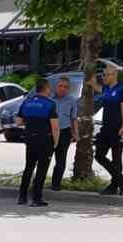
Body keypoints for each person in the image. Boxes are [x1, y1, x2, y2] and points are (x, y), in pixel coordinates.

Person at [15, 79, 58, 207]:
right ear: (45, 89)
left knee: (29, 167)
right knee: (41, 169)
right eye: (49, 88)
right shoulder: (50, 104)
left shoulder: (27, 102)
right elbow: (55, 126)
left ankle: (22, 197)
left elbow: (18, 121)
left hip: (30, 139)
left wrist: (29, 122)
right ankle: (36, 198)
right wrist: (55, 142)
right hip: (45, 139)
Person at [94, 62, 123, 195]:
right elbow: (91, 82)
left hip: (117, 127)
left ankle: (114, 186)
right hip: (106, 128)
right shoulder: (105, 89)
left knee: (116, 158)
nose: (104, 77)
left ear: (115, 75)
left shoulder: (122, 89)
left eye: (107, 74)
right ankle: (120, 179)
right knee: (99, 155)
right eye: (104, 74)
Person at [49, 75, 78, 191]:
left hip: (64, 132)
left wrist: (76, 133)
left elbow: (74, 118)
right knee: (45, 158)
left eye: (65, 87)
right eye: (60, 86)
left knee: (61, 160)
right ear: (56, 87)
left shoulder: (71, 100)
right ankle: (38, 182)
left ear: (68, 88)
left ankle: (56, 184)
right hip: (50, 132)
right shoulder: (50, 99)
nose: (62, 88)